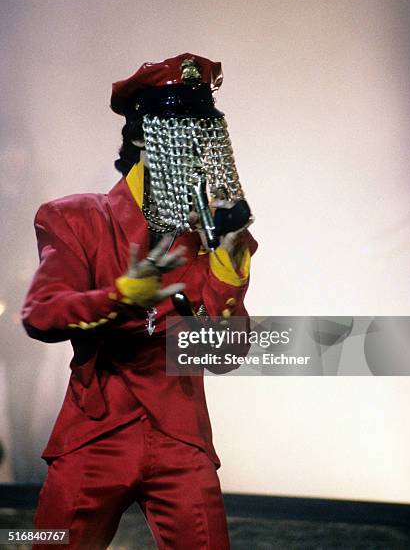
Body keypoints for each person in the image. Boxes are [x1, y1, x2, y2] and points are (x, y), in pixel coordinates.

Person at [22, 53, 257, 550]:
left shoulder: (208, 234)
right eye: (180, 128)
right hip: (95, 431)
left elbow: (223, 357)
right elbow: (41, 313)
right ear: (141, 134)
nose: (195, 146)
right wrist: (124, 295)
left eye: (205, 133)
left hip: (180, 437)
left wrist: (229, 268)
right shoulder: (76, 218)